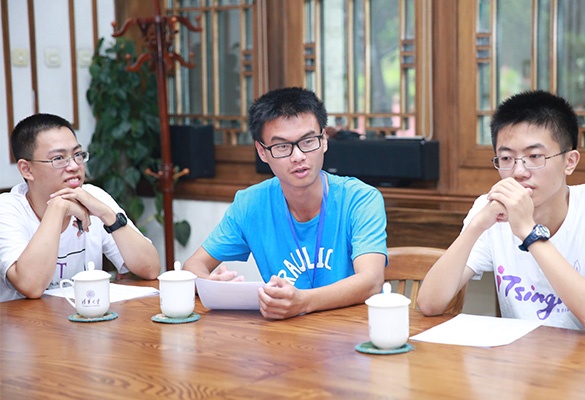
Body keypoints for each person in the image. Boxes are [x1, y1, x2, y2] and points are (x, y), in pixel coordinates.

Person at [417, 90, 585, 339]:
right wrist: (476, 227)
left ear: (569, 161)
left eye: (534, 156)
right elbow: (429, 304)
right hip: (529, 358)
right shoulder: (490, 209)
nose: (518, 172)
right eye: (506, 158)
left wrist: (528, 232)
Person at [183, 87, 387, 320]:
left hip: (352, 331)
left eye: (308, 141)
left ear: (324, 141)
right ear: (262, 152)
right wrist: (209, 283)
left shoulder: (360, 199)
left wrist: (303, 302)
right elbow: (193, 265)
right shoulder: (250, 204)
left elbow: (371, 281)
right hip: (284, 334)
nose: (298, 156)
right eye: (282, 146)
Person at [0, 113, 160, 302]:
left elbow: (150, 269)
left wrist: (107, 215)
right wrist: (58, 207)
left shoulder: (93, 196)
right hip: (26, 320)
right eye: (59, 158)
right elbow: (31, 286)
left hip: (85, 317)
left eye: (77, 155)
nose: (74, 166)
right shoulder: (7, 209)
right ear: (27, 169)